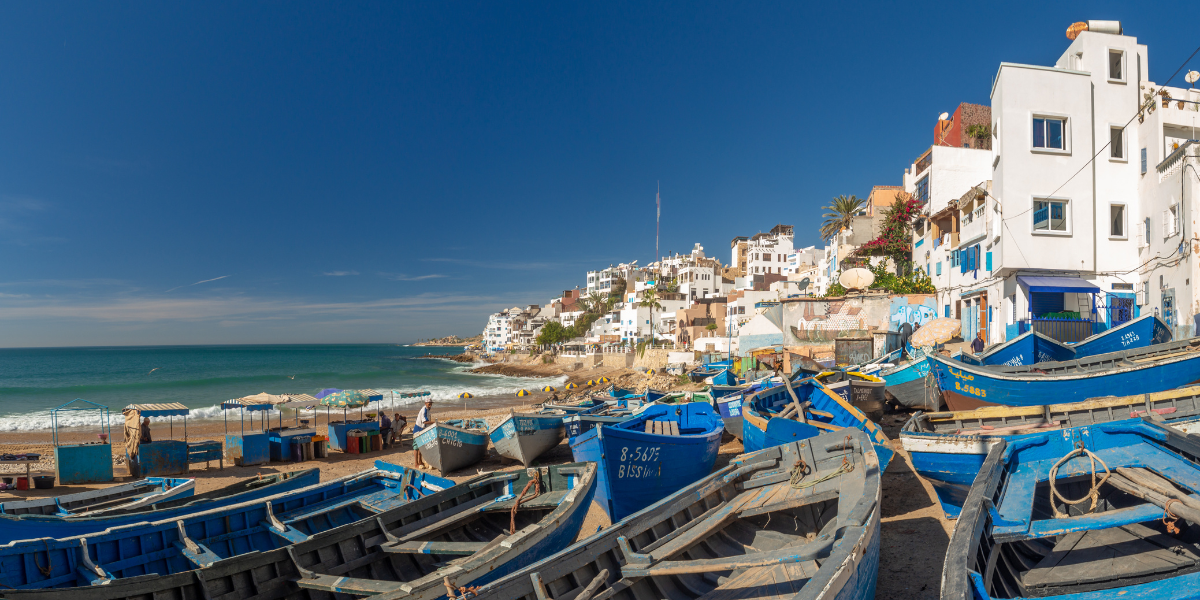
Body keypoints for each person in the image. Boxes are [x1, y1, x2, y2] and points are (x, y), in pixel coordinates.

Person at [413, 399, 434, 469]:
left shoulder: (427, 410)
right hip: (418, 430)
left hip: (422, 430)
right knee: (416, 447)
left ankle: (420, 461)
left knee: (420, 447)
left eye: (431, 404)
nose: (430, 405)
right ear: (425, 403)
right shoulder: (424, 410)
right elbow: (425, 422)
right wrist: (434, 423)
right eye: (429, 404)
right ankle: (416, 464)